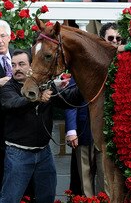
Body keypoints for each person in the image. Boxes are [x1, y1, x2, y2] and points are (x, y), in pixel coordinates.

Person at [0, 49, 83, 203]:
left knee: (47, 197)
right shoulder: (8, 88)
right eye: (13, 65)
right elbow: (14, 105)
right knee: (9, 199)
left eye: (21, 64)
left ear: (32, 65)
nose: (16, 68)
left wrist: (85, 85)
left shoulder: (46, 85)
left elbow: (66, 100)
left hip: (44, 153)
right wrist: (37, 98)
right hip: (18, 154)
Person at [65, 79, 105, 197]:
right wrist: (72, 129)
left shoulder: (111, 69)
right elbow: (71, 101)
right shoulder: (79, 68)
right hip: (84, 131)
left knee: (105, 177)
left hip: (105, 134)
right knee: (85, 176)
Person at [0, 20, 13, 190]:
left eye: (2, 36)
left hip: (19, 128)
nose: (0, 41)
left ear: (9, 37)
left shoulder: (22, 55)